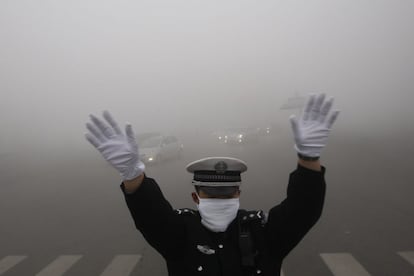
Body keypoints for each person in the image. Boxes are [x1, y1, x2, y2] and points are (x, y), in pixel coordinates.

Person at [84, 93, 340, 276]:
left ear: (238, 193)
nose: (221, 198)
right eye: (210, 192)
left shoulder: (262, 233)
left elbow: (303, 209)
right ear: (196, 198)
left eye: (227, 192)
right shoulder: (179, 236)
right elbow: (150, 215)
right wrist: (131, 174)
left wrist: (309, 159)